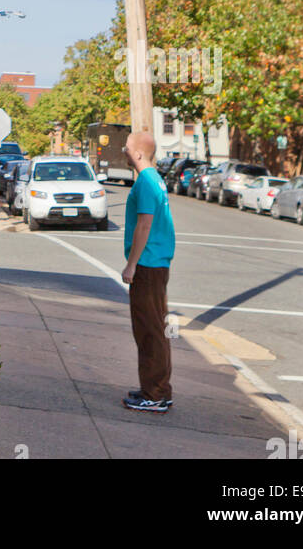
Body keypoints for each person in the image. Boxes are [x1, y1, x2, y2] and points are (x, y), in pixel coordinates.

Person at [120, 130, 176, 413]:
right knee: (156, 327)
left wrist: (131, 263)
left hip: (148, 264)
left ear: (138, 153)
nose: (123, 150)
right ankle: (157, 389)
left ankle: (154, 394)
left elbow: (145, 224)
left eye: (127, 147)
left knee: (149, 329)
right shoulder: (157, 180)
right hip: (158, 263)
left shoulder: (145, 182)